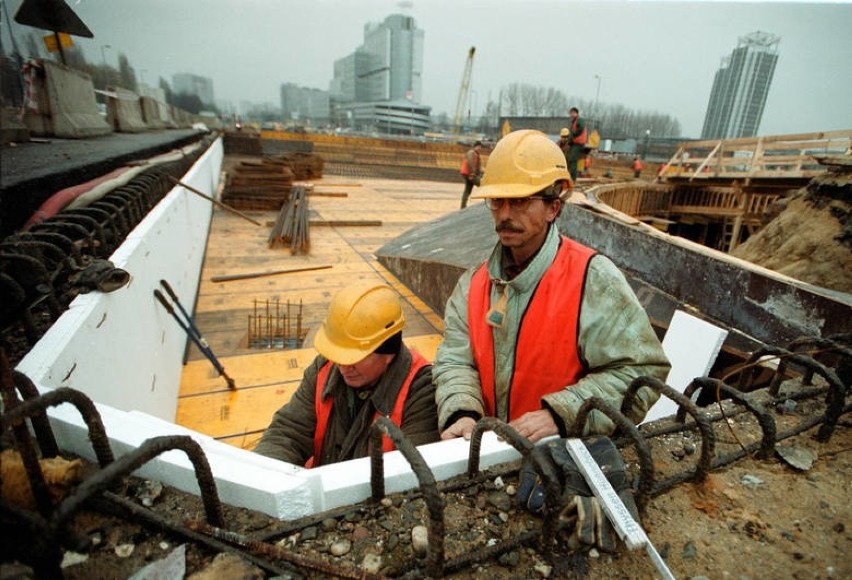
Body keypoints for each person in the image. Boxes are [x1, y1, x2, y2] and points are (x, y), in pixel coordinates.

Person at [433, 129, 670, 443]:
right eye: (497, 201)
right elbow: (455, 359)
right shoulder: (473, 285)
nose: (504, 215)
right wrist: (462, 410)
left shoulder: (592, 279)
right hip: (490, 456)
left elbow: (642, 372)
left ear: (553, 208)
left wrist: (563, 413)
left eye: (519, 201)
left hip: (562, 459)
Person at [254, 283, 439, 466]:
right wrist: (263, 473)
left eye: (353, 358)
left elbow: (407, 473)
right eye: (339, 355)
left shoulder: (421, 390)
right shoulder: (324, 369)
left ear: (389, 353)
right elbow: (287, 432)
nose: (342, 368)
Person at [459, 140, 483, 209]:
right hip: (470, 174)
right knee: (483, 185)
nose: (480, 149)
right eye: (479, 147)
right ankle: (489, 203)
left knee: (467, 190)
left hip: (468, 174)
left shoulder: (473, 153)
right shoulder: (472, 153)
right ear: (477, 146)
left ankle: (463, 207)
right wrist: (472, 174)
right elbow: (470, 163)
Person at [566, 107, 587, 182]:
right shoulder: (574, 122)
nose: (571, 115)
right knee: (570, 158)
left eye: (572, 113)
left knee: (573, 159)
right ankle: (571, 176)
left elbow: (580, 129)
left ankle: (572, 178)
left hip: (578, 143)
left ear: (575, 113)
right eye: (570, 113)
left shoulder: (579, 120)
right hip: (575, 143)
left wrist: (573, 135)